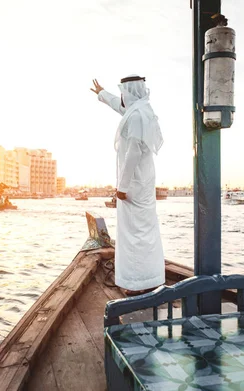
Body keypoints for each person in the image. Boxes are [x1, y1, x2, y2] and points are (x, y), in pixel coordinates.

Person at [90, 75, 165, 296]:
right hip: (143, 182)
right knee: (146, 231)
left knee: (133, 234)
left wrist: (121, 188)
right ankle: (151, 279)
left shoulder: (136, 117)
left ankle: (137, 284)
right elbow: (119, 106)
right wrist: (102, 94)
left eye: (123, 92)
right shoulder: (142, 110)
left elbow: (133, 153)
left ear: (130, 92)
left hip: (133, 185)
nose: (122, 96)